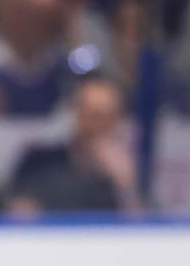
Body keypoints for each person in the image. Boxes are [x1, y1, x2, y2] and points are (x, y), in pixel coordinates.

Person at [7, 76, 136, 215]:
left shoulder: (120, 172)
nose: (96, 126)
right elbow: (15, 213)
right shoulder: (38, 161)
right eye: (92, 115)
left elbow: (140, 225)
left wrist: (125, 186)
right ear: (74, 113)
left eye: (107, 117)